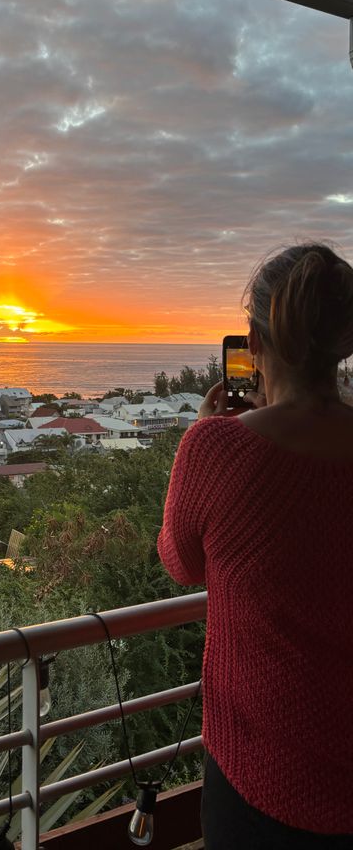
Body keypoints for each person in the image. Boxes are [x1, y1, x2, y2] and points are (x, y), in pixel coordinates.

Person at [157, 244, 353, 848]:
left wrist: (204, 432)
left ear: (255, 343)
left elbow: (181, 562)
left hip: (261, 767)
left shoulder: (218, 449)